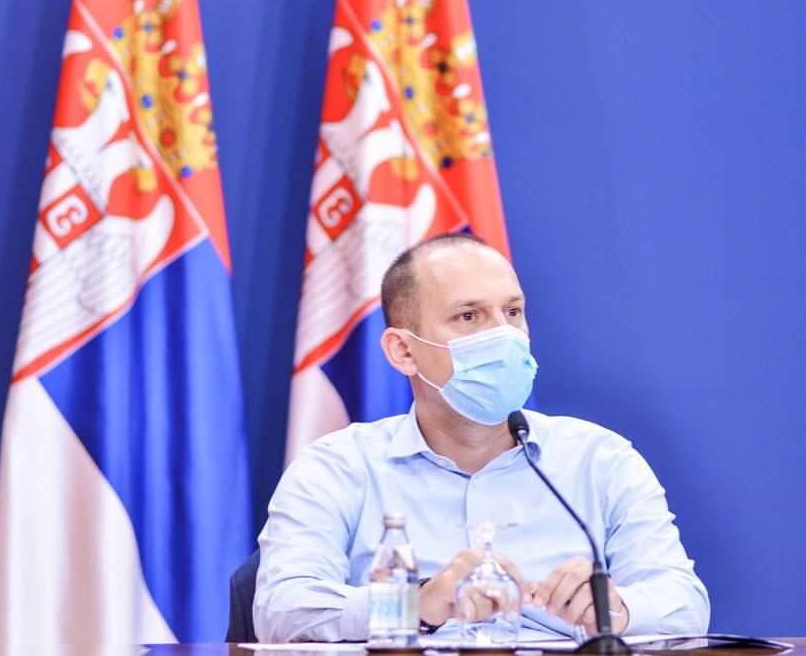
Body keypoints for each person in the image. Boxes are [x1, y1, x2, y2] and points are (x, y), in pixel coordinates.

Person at [254, 233, 709, 643]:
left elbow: (685, 602)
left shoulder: (600, 460)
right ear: (404, 351)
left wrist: (618, 608)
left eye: (512, 312)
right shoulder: (337, 467)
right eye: (468, 316)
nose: (503, 336)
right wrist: (416, 604)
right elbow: (281, 610)